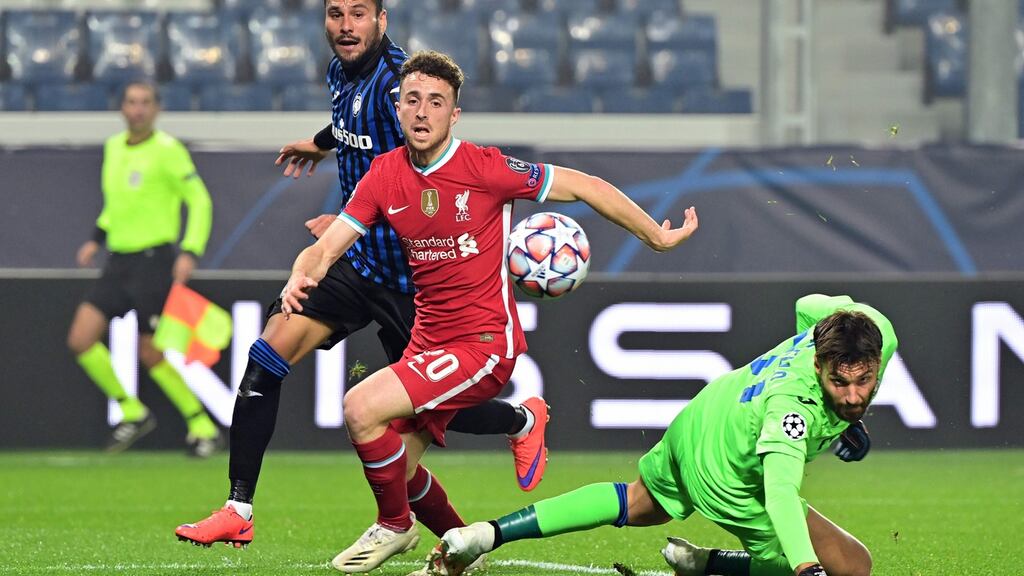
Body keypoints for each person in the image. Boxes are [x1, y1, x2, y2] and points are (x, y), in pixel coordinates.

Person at [278, 50, 699, 573]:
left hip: (481, 343)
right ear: (398, 108)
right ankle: (459, 543)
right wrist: (303, 271)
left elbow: (585, 186)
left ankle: (395, 526)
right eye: (413, 100)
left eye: (436, 102)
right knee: (400, 471)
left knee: (361, 408)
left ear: (454, 115)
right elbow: (328, 245)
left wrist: (656, 237)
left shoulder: (486, 168)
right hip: (427, 341)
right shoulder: (384, 174)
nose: (423, 112)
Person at [175, 0, 547, 551]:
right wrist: (322, 144)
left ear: (382, 20)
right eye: (334, 13)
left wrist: (353, 219)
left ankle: (518, 423)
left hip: (414, 283)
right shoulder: (340, 72)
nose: (345, 26)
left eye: (358, 14)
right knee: (266, 357)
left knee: (431, 414)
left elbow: (426, 177)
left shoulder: (400, 83)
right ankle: (239, 508)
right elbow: (355, 122)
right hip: (360, 267)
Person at [418, 294, 897, 576]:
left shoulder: (864, 330)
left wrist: (846, 420)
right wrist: (806, 570)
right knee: (853, 566)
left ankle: (483, 534)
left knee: (638, 503)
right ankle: (708, 566)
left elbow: (807, 306)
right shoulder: (791, 411)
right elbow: (779, 490)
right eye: (839, 383)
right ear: (818, 364)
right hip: (727, 467)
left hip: (709, 412)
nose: (854, 396)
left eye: (864, 381)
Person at [67, 81, 219, 457]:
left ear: (156, 109)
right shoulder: (113, 148)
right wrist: (95, 238)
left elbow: (200, 201)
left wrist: (190, 250)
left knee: (150, 352)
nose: (138, 110)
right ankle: (132, 411)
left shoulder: (168, 151)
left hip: (154, 260)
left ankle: (203, 426)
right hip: (119, 260)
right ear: (121, 108)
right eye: (131, 102)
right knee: (81, 339)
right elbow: (115, 204)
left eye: (145, 103)